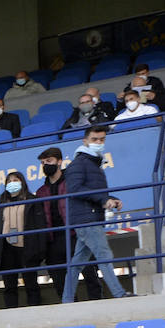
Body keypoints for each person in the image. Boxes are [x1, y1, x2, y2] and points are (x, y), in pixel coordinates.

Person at [63, 126, 128, 301]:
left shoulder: (93, 163)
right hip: (87, 218)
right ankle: (119, 294)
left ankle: (66, 300)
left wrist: (111, 198)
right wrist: (102, 200)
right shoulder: (79, 164)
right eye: (94, 139)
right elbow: (75, 189)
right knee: (104, 255)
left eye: (102, 139)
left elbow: (92, 190)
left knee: (77, 263)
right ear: (85, 141)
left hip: (88, 216)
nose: (99, 143)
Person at [33, 148, 100, 300]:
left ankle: (98, 304)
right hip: (53, 240)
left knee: (90, 273)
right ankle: (70, 312)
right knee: (60, 281)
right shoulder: (41, 192)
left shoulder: (72, 183)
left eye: (49, 161)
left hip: (76, 235)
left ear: (59, 161)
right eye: (43, 163)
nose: (45, 165)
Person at [0, 170, 45, 307]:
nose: (12, 183)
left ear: (22, 182)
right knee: (9, 287)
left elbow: (40, 225)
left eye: (16, 180)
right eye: (9, 181)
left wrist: (41, 249)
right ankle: (11, 315)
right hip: (7, 248)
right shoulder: (2, 203)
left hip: (27, 247)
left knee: (31, 284)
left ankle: (35, 312)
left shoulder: (32, 200)